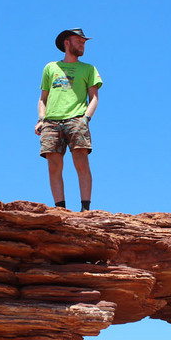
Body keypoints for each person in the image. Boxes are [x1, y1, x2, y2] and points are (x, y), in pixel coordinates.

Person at [34, 28, 103, 211]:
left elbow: (94, 97)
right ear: (67, 42)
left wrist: (86, 118)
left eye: (84, 42)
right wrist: (41, 119)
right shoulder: (51, 68)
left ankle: (85, 209)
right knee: (54, 167)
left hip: (77, 119)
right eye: (79, 40)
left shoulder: (88, 69)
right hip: (51, 122)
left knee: (81, 163)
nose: (83, 44)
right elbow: (43, 98)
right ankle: (60, 209)